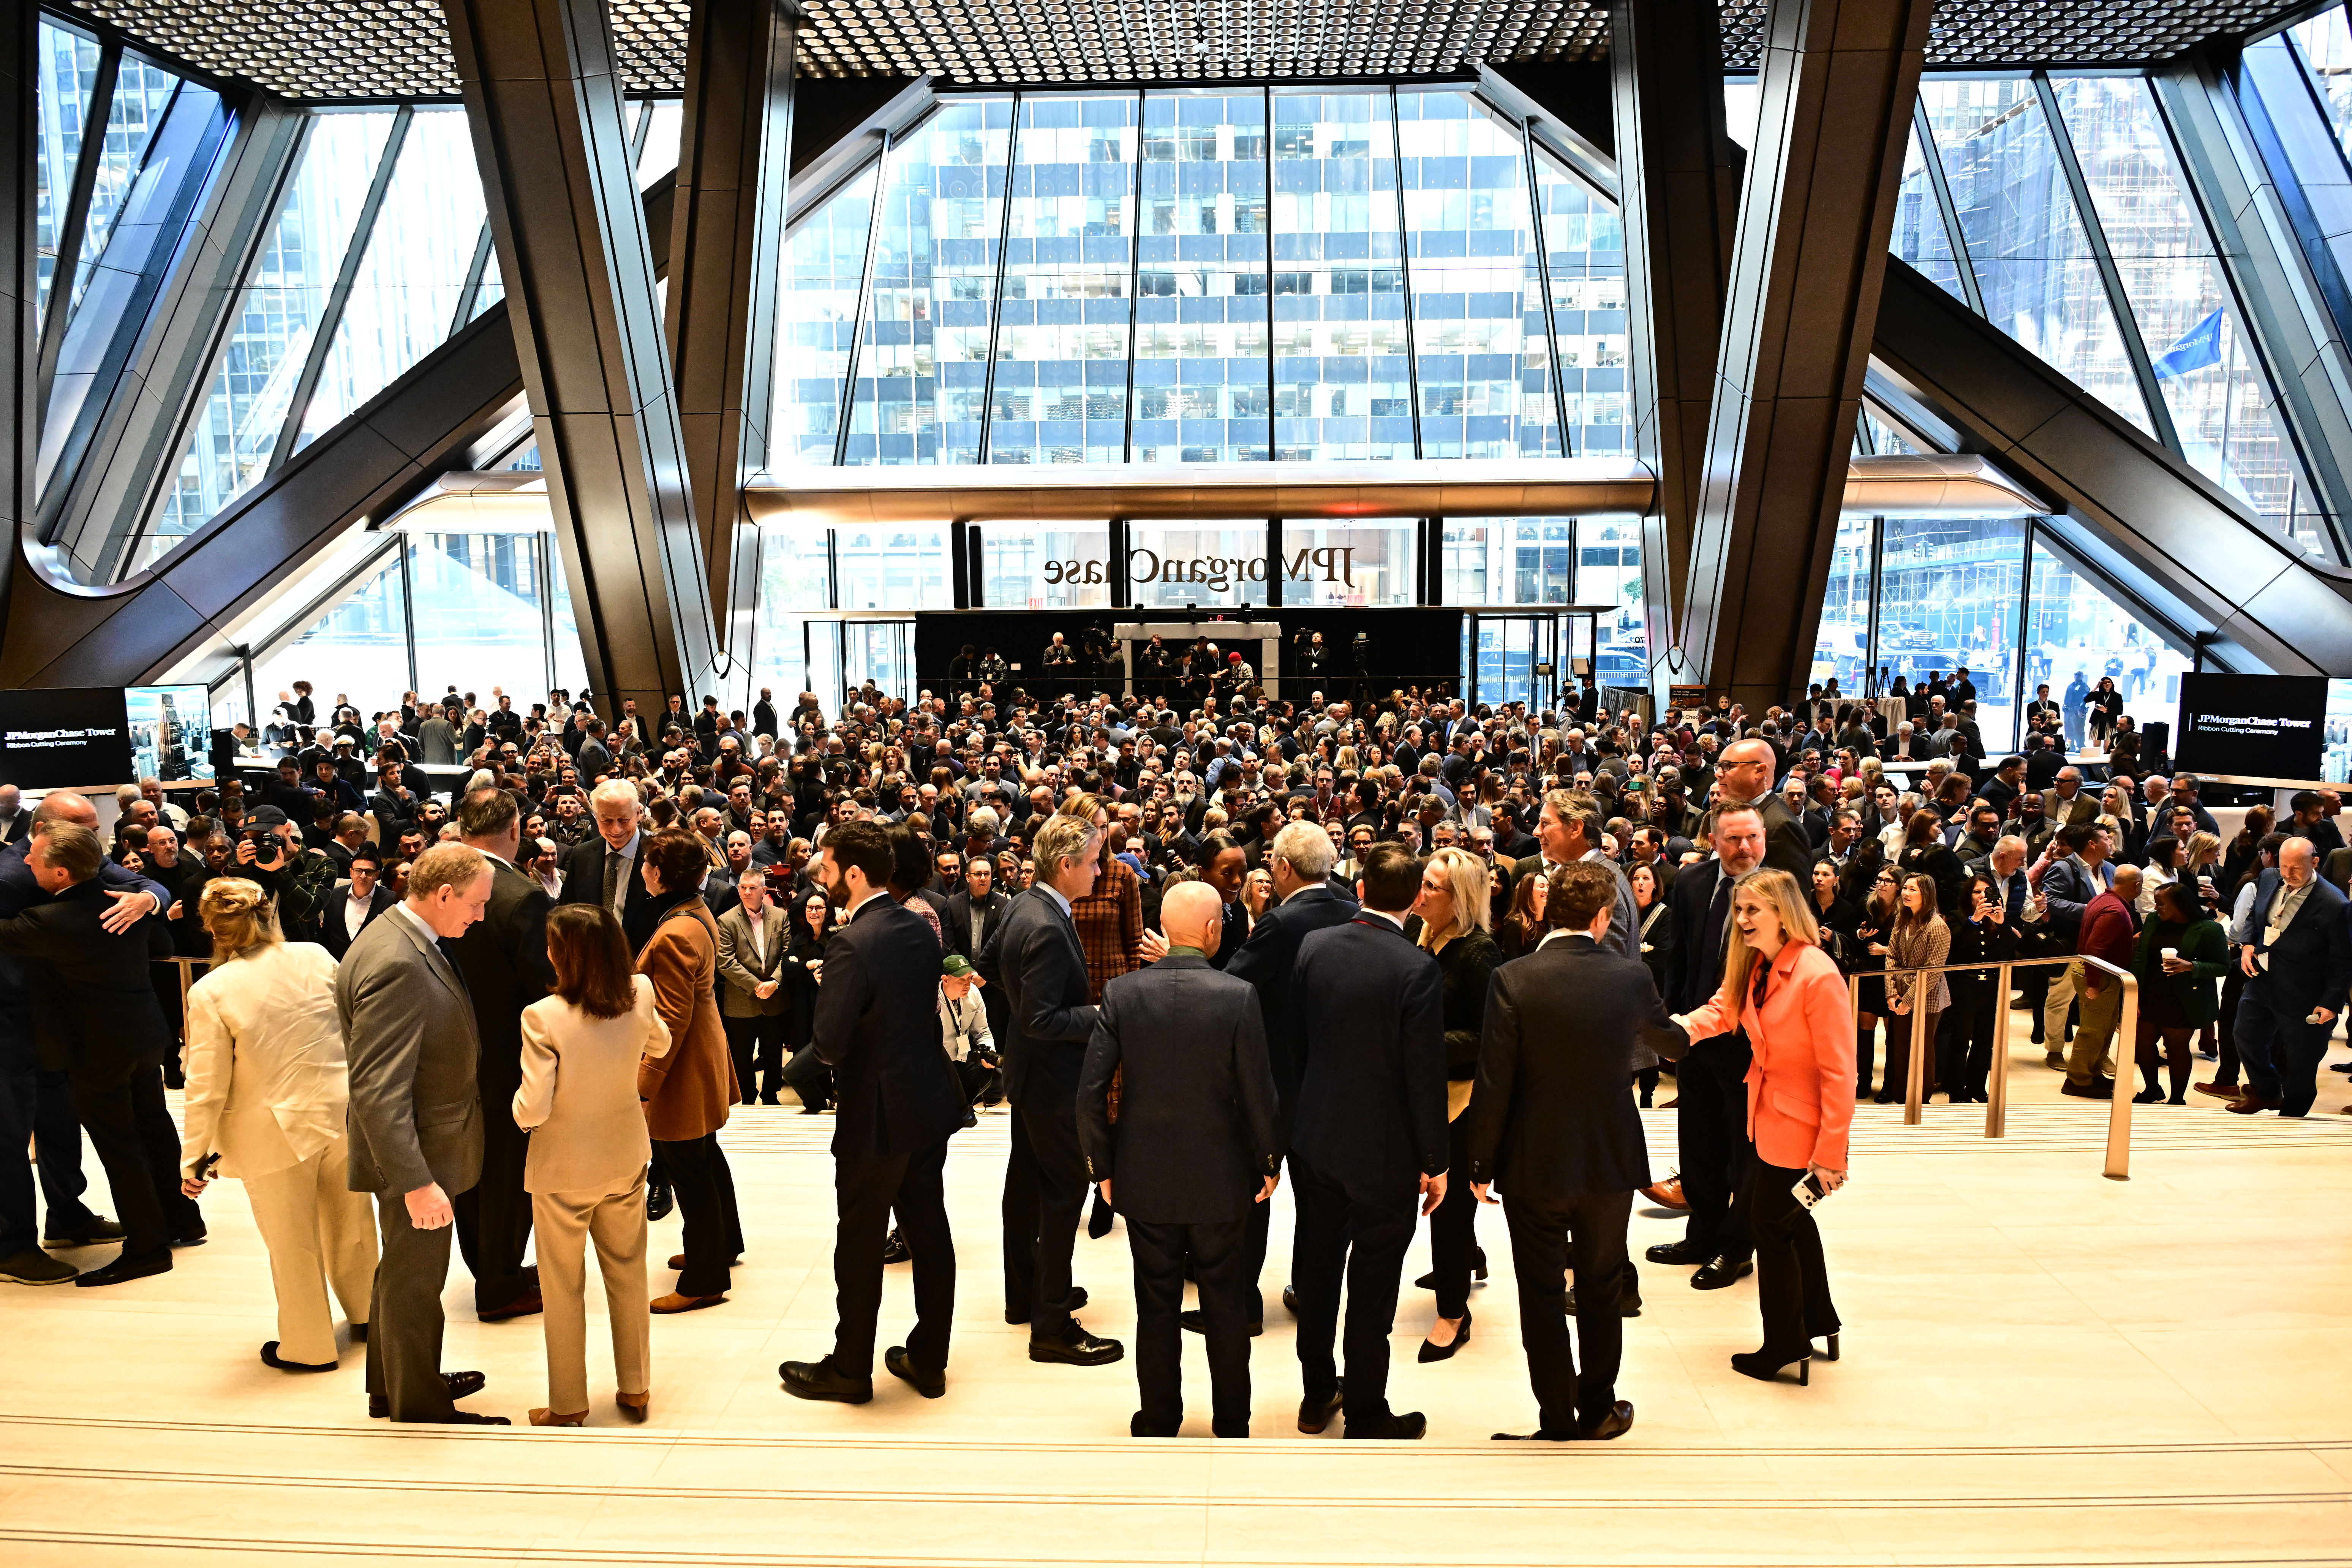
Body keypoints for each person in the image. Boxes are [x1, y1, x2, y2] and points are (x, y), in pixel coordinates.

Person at [1468, 861, 1682, 1442]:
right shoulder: (1631, 978)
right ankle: (1599, 1408)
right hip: (1610, 1158)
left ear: (1543, 912)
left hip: (1535, 1160)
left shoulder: (1513, 978)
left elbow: (1495, 1081)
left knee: (1540, 1294)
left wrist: (1481, 1163)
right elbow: (1671, 1044)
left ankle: (1555, 1417)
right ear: (1604, 917)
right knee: (1599, 1284)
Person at [1078, 880, 1280, 1438]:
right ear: (1214, 930)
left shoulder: (1122, 994)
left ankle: (1161, 1416)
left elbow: (1090, 1091)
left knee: (1157, 1301)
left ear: (1165, 930)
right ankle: (1232, 1419)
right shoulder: (1238, 995)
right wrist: (1269, 1161)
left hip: (1144, 1174)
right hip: (1222, 1176)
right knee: (1224, 1302)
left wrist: (1103, 1169)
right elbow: (1259, 1092)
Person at [780, 820, 969, 1403]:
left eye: (828, 868)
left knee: (859, 1242)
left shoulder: (851, 942)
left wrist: (794, 1069)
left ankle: (850, 1368)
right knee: (928, 1230)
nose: (822, 878)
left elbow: (832, 1041)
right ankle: (928, 1359)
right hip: (927, 1099)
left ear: (854, 874)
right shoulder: (917, 925)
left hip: (877, 1113)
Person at [177, 878, 377, 1368]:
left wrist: (194, 1158)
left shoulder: (211, 990)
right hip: (339, 1109)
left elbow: (207, 1084)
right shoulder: (316, 956)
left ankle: (309, 1347)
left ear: (213, 930)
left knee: (293, 1243)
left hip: (270, 1129)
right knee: (352, 1223)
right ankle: (372, 1315)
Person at [338, 842, 506, 1423]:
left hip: (422, 1145)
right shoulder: (398, 963)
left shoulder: (398, 936)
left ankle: (397, 1381)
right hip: (419, 1155)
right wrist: (415, 1182)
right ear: (442, 895)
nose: (480, 916)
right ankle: (417, 1401)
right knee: (416, 1282)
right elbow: (378, 1088)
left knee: (403, 1273)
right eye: (477, 904)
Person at [1288, 842, 1447, 1440]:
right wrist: (1436, 1161)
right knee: (1373, 1286)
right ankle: (1366, 1410)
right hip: (1384, 1150)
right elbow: (1423, 1076)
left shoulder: (1314, 947)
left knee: (1319, 1272)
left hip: (1317, 1136)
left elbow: (1297, 1042)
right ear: (1413, 901)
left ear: (1359, 891)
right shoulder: (1416, 968)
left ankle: (1314, 1396)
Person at [1669, 868, 1852, 1385]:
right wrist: (1676, 1029)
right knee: (1793, 1220)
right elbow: (1721, 1010)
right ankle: (1820, 1321)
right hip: (1767, 1117)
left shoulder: (1816, 974)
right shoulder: (1757, 967)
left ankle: (1785, 1342)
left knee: (1771, 1224)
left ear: (1783, 914)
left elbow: (1841, 1073)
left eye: (1754, 910)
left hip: (1806, 1131)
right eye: (1739, 910)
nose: (1743, 919)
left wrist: (1832, 1154)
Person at [0, 822, 193, 1287]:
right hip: (145, 1036)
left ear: (62, 873)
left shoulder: (44, 922)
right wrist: (148, 902)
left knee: (120, 1149)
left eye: (36, 857)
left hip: (93, 1051)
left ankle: (146, 1247)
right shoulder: (123, 904)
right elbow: (164, 945)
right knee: (155, 1129)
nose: (26, 860)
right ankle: (182, 1220)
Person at [512, 904, 670, 1426]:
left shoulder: (543, 1016)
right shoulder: (640, 991)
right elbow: (661, 1043)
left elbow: (533, 1107)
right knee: (628, 1273)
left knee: (563, 1287)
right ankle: (636, 1389)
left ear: (566, 955)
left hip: (563, 1166)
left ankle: (569, 1404)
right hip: (625, 1152)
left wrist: (510, 1108)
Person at [985, 812, 1122, 1365]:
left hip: (1027, 1070)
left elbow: (989, 962)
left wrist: (1020, 1006)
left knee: (1025, 1184)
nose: (1098, 872)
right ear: (1066, 865)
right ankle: (1052, 1324)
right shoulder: (1044, 923)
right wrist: (1098, 1013)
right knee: (1064, 1191)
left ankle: (1027, 1295)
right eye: (1092, 863)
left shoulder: (1024, 902)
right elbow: (1045, 1019)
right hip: (1049, 1078)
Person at [1211, 820, 1356, 1331]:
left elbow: (1231, 989)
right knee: (1321, 1203)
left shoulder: (1280, 924)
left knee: (1254, 1192)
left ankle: (1244, 1307)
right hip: (1335, 1082)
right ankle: (1311, 1292)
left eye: (1272, 860)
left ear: (1286, 868)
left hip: (1276, 1080)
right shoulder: (1354, 911)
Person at [447, 786, 556, 1324]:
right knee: (508, 1176)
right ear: (516, 830)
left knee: (472, 1172)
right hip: (508, 1059)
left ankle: (492, 1269)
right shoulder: (521, 895)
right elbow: (544, 986)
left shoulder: (434, 879)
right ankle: (500, 1281)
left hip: (449, 1054)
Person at [1653, 805, 1767, 1289]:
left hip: (1750, 1047)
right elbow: (1678, 959)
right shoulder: (1694, 884)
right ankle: (1701, 1234)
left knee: (1745, 1153)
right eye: (1733, 839)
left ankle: (1737, 1248)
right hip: (1697, 1038)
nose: (1744, 848)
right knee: (1698, 1143)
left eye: (1753, 838)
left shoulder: (1778, 891)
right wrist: (1671, 1029)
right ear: (1714, 841)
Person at [633, 827, 742, 1312]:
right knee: (706, 1154)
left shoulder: (677, 930)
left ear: (659, 873)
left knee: (687, 1167)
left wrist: (645, 1082)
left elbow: (672, 1018)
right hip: (700, 1049)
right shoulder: (694, 913)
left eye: (647, 863)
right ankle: (724, 1244)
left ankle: (704, 1279)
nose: (642, 870)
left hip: (682, 1062)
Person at [1408, 846, 1498, 1361]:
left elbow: (1490, 1035)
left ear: (1459, 899)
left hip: (1461, 1099)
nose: (1420, 893)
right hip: (1426, 1093)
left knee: (1449, 1204)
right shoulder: (1422, 937)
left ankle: (1452, 1314)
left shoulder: (1478, 951)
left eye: (1432, 887)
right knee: (1445, 1203)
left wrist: (1422, 1043)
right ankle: (1464, 1261)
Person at [2226, 837, 2352, 1117]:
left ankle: (2293, 1113)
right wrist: (2248, 944)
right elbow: (2255, 918)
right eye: (2284, 866)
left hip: (2305, 992)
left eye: (2296, 868)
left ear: (2315, 862)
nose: (2288, 874)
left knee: (2301, 1060)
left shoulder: (2335, 904)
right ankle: (2267, 1091)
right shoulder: (2270, 878)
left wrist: (2331, 1003)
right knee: (2245, 1036)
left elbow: (2344, 961)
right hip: (2263, 980)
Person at [2129, 882, 2225, 1106]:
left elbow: (2223, 966)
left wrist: (2191, 966)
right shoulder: (2154, 921)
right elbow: (2141, 955)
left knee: (2177, 1047)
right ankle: (2152, 1089)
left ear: (2180, 905)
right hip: (2152, 992)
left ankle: (2177, 1099)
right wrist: (2134, 988)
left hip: (2184, 997)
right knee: (2143, 1044)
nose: (2156, 908)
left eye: (2161, 904)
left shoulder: (2209, 929)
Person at [2065, 863, 2143, 1100]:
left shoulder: (2103, 900)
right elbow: (2094, 949)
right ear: (2137, 885)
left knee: (2106, 1027)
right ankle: (2078, 1079)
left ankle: (2093, 1072)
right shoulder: (2115, 911)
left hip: (2102, 973)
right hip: (2099, 975)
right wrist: (2093, 983)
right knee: (2093, 1031)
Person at [716, 867, 792, 1106]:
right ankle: (747, 1098)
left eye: (752, 888)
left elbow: (788, 954)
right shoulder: (726, 920)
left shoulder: (780, 916)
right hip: (741, 998)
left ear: (763, 890)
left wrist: (775, 982)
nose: (747, 893)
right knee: (742, 1056)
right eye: (743, 888)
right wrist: (758, 985)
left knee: (772, 1055)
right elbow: (725, 962)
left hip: (775, 997)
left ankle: (771, 1096)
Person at [1879, 872, 1950, 1105]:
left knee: (1921, 1051)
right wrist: (1892, 993)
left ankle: (1920, 1101)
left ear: (1926, 895)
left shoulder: (1938, 927)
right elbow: (1891, 956)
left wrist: (1908, 1000)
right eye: (1905, 889)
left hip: (1927, 998)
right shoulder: (1902, 919)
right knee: (1899, 1048)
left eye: (1913, 890)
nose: (1906, 893)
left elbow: (1932, 970)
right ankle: (1901, 1098)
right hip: (1900, 994)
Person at [777, 890, 834, 1113]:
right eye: (810, 908)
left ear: (827, 912)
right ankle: (815, 1102)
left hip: (827, 1005)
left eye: (819, 908)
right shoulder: (799, 939)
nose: (814, 912)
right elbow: (787, 969)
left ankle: (830, 1098)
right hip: (802, 1006)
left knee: (825, 1054)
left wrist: (802, 967)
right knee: (803, 1052)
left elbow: (832, 968)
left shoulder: (836, 938)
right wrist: (809, 967)